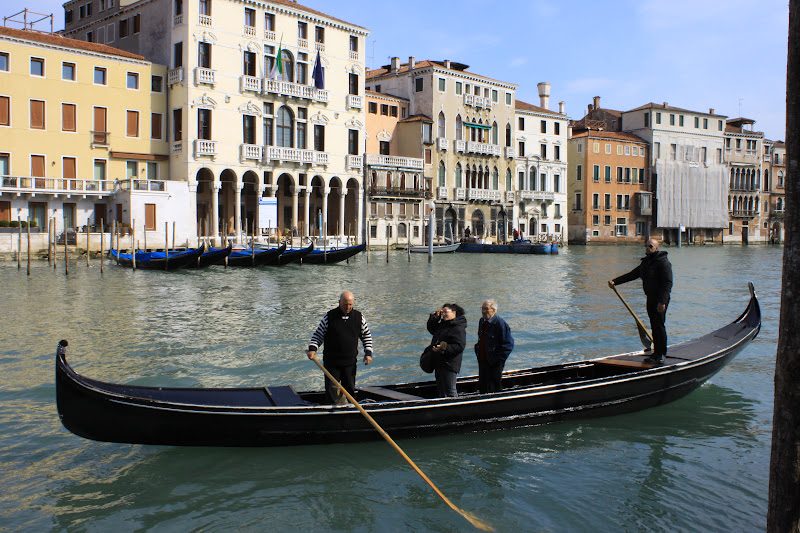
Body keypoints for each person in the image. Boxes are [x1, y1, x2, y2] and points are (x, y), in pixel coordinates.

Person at [608, 239, 673, 365]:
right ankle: (655, 353)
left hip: (660, 300)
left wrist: (662, 302)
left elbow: (667, 283)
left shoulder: (663, 262)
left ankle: (661, 354)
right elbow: (632, 275)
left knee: (659, 326)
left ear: (656, 248)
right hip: (650, 298)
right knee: (654, 325)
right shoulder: (646, 263)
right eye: (646, 246)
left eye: (650, 246)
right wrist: (615, 281)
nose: (647, 248)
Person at [307, 291, 373, 403]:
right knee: (332, 392)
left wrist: (368, 354)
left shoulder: (359, 317)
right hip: (332, 363)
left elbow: (366, 336)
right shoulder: (329, 317)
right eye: (345, 304)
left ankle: (349, 412)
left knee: (349, 391)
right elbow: (318, 335)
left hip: (350, 363)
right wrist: (313, 349)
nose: (348, 307)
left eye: (350, 305)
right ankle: (332, 413)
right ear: (339, 302)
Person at [426, 303, 467, 397]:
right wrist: (435, 318)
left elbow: (459, 346)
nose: (443, 314)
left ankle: (456, 409)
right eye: (442, 312)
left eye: (445, 312)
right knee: (441, 389)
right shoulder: (443, 325)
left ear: (454, 313)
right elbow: (432, 329)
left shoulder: (458, 328)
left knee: (450, 390)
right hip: (439, 361)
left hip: (450, 363)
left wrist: (444, 347)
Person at [474, 299, 514, 393]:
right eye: (482, 308)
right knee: (483, 384)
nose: (483, 311)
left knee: (495, 385)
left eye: (486, 309)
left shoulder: (500, 324)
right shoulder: (482, 321)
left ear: (494, 310)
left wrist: (498, 360)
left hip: (494, 362)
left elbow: (508, 345)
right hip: (483, 359)